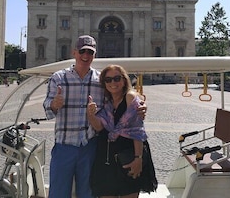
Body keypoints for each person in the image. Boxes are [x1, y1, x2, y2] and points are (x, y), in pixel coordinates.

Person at [43, 35, 147, 198]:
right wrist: (54, 104)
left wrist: (138, 103)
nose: (86, 56)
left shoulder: (101, 81)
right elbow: (47, 107)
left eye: (90, 52)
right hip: (64, 146)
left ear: (94, 55)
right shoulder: (59, 78)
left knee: (88, 193)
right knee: (58, 193)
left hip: (90, 147)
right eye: (82, 51)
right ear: (74, 53)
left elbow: (119, 99)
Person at [87, 64, 157, 197]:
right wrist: (90, 114)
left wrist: (138, 158)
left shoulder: (130, 97)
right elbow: (99, 127)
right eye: (108, 80)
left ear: (124, 80)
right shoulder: (106, 101)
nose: (113, 83)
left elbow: (137, 130)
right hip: (106, 159)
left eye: (117, 78)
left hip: (128, 157)